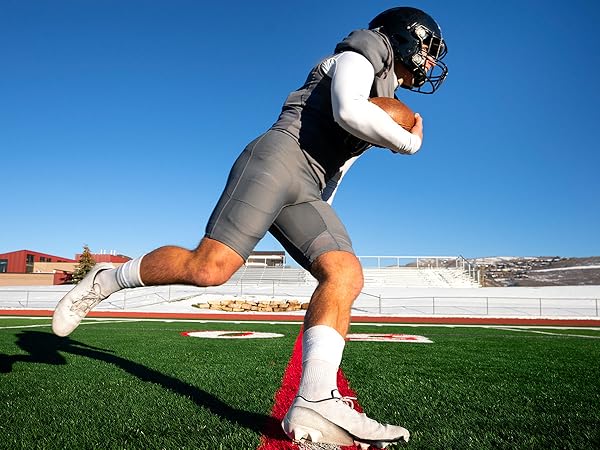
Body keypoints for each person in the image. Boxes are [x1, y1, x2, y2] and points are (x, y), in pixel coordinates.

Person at [52, 6, 448, 448]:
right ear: (404, 36)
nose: (430, 63)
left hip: (309, 188)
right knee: (209, 269)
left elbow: (340, 166)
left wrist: (319, 225)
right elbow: (349, 111)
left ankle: (316, 399)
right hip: (278, 158)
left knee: (344, 272)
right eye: (429, 49)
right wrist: (409, 139)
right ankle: (106, 279)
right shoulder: (361, 51)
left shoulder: (386, 90)